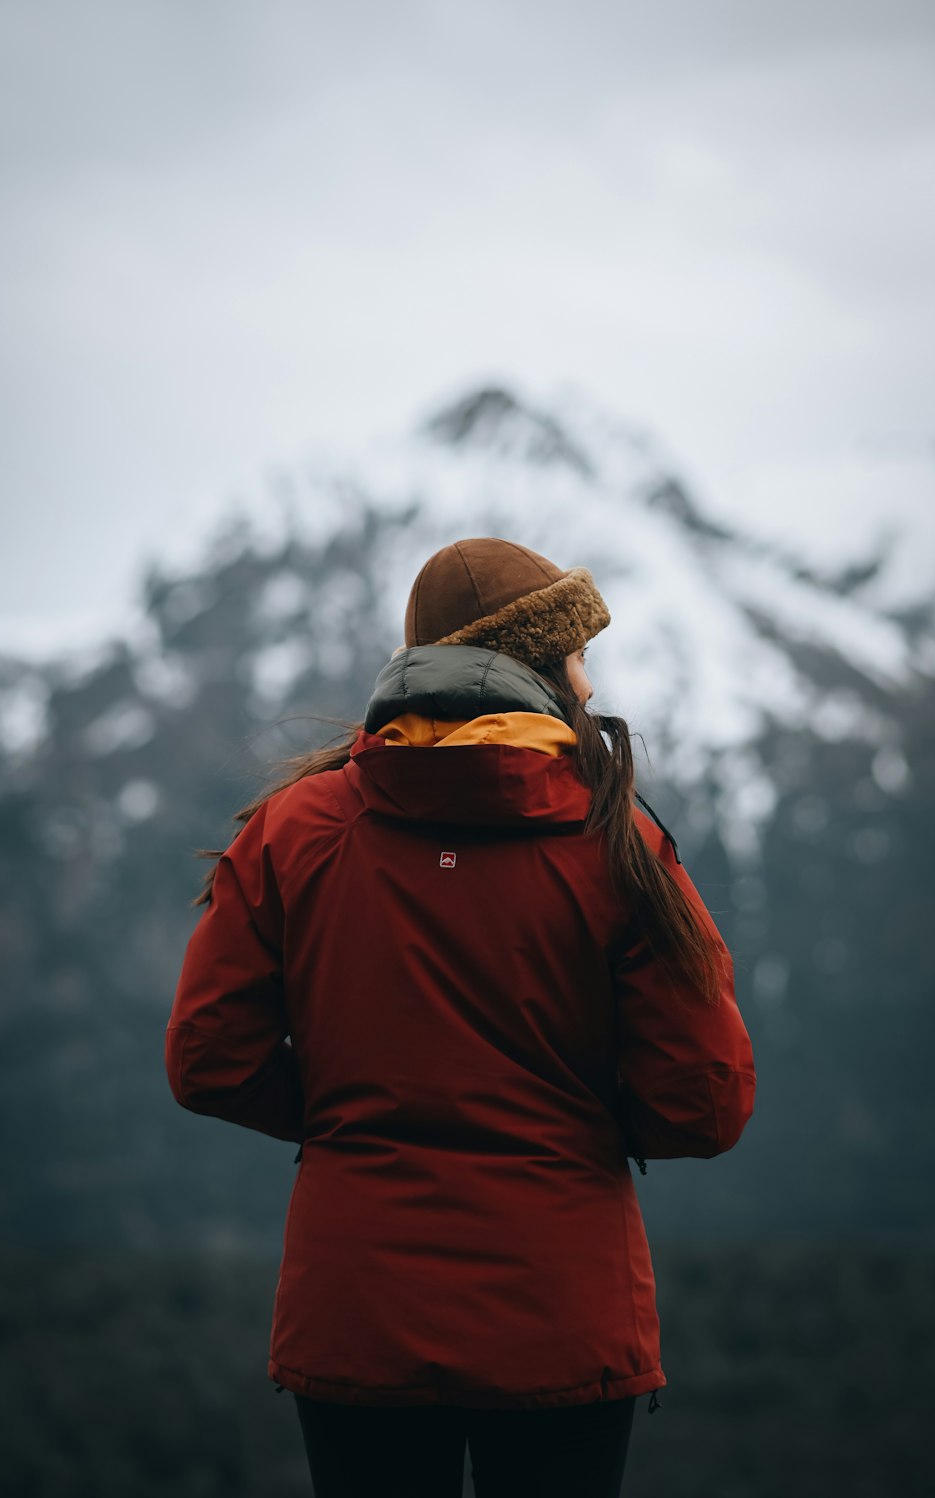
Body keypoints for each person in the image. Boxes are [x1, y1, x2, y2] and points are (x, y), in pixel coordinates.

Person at [165, 537, 757, 1498]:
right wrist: (587, 1128)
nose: (588, 675)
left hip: (356, 1311)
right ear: (533, 668)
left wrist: (347, 1113)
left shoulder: (293, 832)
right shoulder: (620, 841)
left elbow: (207, 1060)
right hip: (563, 1314)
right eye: (575, 655)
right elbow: (707, 1101)